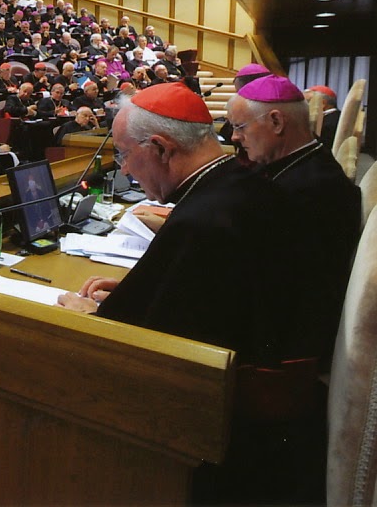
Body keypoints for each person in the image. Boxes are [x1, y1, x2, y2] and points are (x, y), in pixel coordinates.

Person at [57, 82, 320, 504]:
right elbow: (198, 293)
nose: (124, 169)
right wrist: (142, 290)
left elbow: (161, 352)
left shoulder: (206, 219)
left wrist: (91, 319)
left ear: (161, 149)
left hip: (231, 447)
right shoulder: (238, 182)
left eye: (124, 154)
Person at [227, 75, 361, 366]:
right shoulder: (309, 167)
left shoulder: (300, 191)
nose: (234, 137)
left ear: (276, 122)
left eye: (240, 127)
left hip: (277, 363)